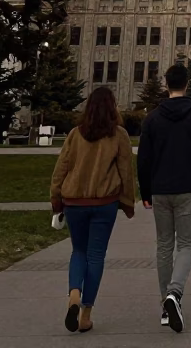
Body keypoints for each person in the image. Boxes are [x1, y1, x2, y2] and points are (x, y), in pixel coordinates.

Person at [137, 63, 191, 333]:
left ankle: (166, 305)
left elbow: (144, 159)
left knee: (164, 245)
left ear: (166, 84)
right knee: (186, 245)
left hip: (160, 190)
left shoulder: (152, 118)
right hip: (187, 189)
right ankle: (175, 292)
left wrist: (145, 191)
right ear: (187, 83)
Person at [50, 86, 135, 334]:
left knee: (78, 251)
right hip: (104, 203)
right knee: (96, 256)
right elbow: (126, 171)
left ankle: (74, 294)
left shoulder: (75, 134)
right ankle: (85, 313)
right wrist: (128, 202)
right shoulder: (119, 135)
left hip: (74, 202)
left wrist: (56, 200)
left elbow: (61, 169)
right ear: (112, 108)